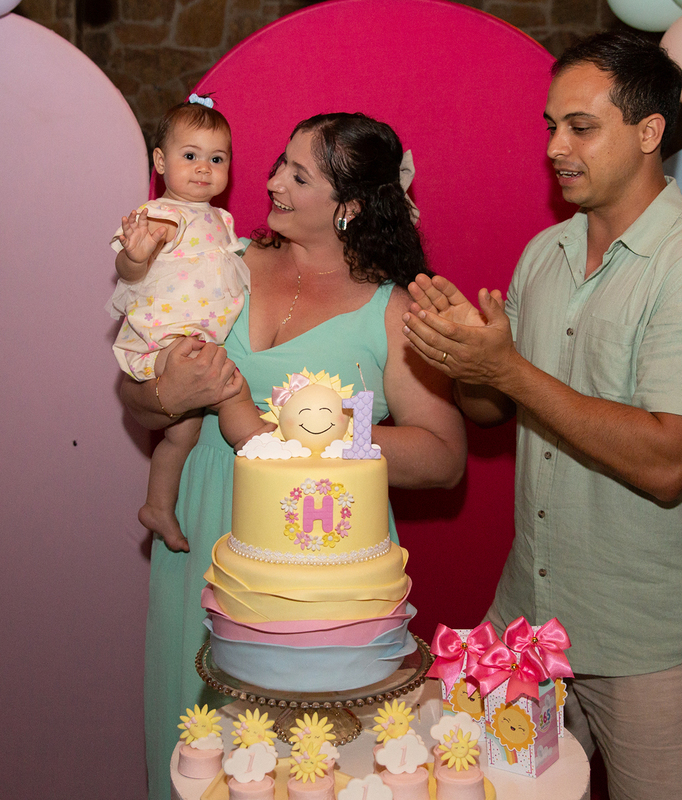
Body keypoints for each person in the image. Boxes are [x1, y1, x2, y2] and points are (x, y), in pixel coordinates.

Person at [402, 31, 682, 800]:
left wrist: (509, 369)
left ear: (649, 132)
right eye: (550, 126)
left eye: (581, 126)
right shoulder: (546, 253)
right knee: (482, 787)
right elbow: (496, 408)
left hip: (648, 640)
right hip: (526, 618)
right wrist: (467, 360)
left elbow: (668, 465)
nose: (556, 147)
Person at [119, 112, 467, 800]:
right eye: (279, 162)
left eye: (299, 175)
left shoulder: (393, 311)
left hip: (316, 568)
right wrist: (166, 392)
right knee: (195, 752)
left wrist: (313, 433)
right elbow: (136, 402)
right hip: (200, 538)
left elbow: (443, 456)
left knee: (304, 769)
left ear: (350, 208)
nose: (272, 180)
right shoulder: (223, 260)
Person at [108, 93, 269, 553]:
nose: (204, 168)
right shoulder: (163, 215)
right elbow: (130, 270)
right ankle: (257, 442)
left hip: (192, 337)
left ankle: (158, 505)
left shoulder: (219, 217)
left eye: (216, 159)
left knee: (183, 433)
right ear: (160, 162)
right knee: (230, 384)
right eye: (190, 156)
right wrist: (135, 257)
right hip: (168, 338)